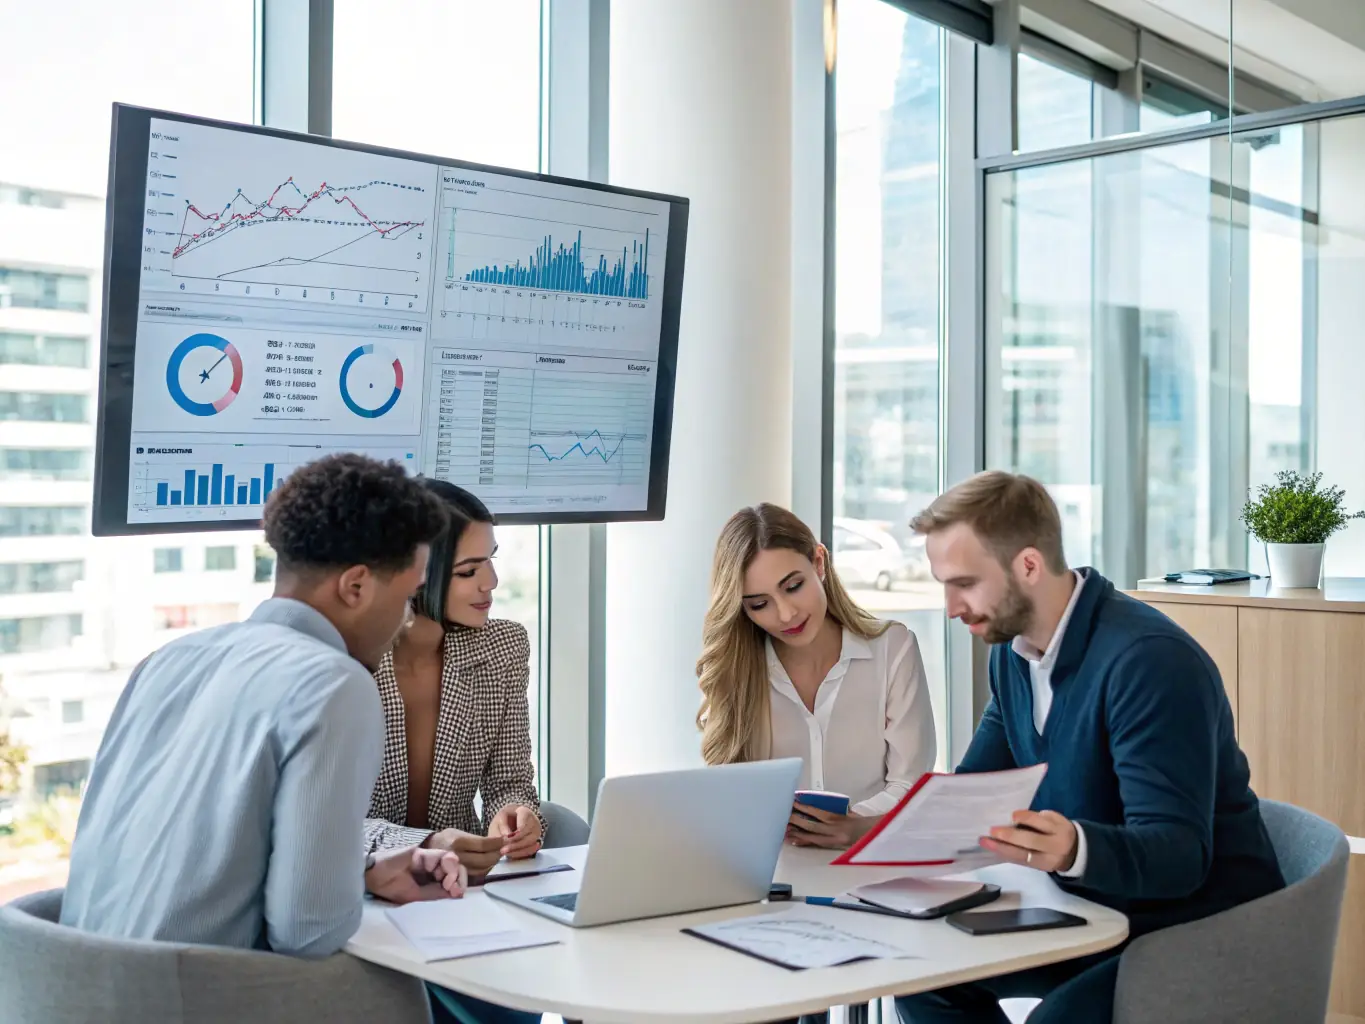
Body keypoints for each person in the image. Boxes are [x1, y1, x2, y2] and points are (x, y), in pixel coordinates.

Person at [60, 454, 530, 1024]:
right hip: (204, 1001)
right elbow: (307, 931)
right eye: (407, 596)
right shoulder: (334, 683)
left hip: (78, 990)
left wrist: (362, 870)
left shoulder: (169, 659)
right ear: (356, 587)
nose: (407, 619)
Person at [895, 471, 1285, 1024]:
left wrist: (1073, 848)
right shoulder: (1013, 653)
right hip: (1095, 909)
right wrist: (872, 832)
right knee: (926, 980)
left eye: (965, 584)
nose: (951, 607)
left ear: (1029, 566)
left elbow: (1179, 855)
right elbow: (974, 789)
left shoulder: (1148, 662)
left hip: (1198, 927)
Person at [697, 503, 936, 850]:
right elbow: (729, 795)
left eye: (793, 586)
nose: (786, 614)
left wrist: (854, 826)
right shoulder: (735, 670)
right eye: (759, 604)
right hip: (772, 867)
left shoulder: (893, 648)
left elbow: (909, 783)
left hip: (870, 857)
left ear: (819, 563)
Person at [365, 480, 544, 879]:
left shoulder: (503, 648)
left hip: (463, 886)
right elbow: (316, 825)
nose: (491, 581)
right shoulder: (344, 662)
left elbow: (510, 781)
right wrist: (424, 845)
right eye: (468, 571)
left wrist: (515, 816)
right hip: (357, 890)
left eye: (491, 560)